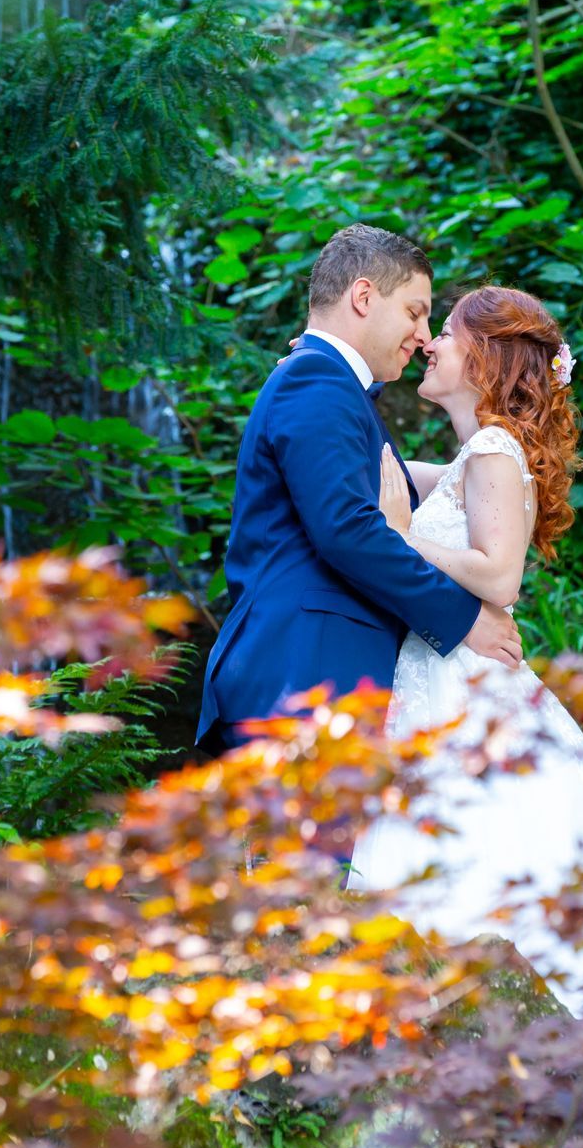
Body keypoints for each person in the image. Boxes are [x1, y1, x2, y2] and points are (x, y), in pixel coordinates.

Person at [344, 285, 583, 1017]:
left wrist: (402, 539)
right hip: (448, 668)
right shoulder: (477, 455)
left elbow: (501, 575)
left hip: (464, 677)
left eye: (449, 333)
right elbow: (391, 477)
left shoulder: (495, 448)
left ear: (484, 358)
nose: (430, 342)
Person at [195, 224, 523, 755]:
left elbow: (383, 487)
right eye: (415, 312)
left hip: (320, 682)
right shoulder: (317, 383)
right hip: (303, 683)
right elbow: (349, 530)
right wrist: (462, 620)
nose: (423, 336)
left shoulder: (324, 384)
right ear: (364, 296)